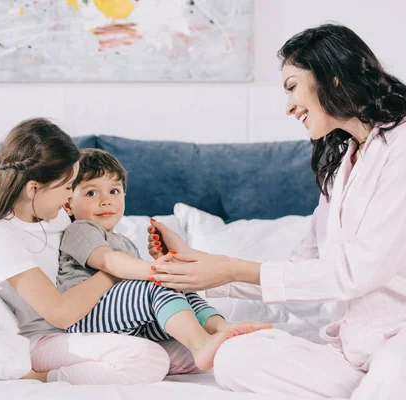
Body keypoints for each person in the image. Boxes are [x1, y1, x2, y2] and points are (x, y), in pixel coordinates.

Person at [147, 24, 406, 399]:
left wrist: (228, 269)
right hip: (352, 347)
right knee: (234, 357)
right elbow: (301, 263)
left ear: (332, 78)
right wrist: (198, 266)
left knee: (396, 375)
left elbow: (360, 270)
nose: (288, 105)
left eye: (292, 86)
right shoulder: (341, 166)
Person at [0, 118, 193, 385]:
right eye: (68, 187)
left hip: (96, 320)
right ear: (34, 188)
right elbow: (60, 312)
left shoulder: (53, 215)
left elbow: (97, 239)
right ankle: (41, 377)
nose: (69, 199)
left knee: (188, 349)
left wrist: (147, 256)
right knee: (148, 358)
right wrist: (115, 272)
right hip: (44, 337)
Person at [57, 149, 272, 371]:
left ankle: (218, 326)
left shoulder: (124, 241)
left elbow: (137, 287)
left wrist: (164, 267)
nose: (105, 201)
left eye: (114, 191)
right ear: (67, 204)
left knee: (177, 285)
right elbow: (109, 262)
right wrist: (157, 268)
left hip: (125, 321)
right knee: (158, 283)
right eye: (91, 193)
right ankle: (200, 344)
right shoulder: (80, 230)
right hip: (88, 317)